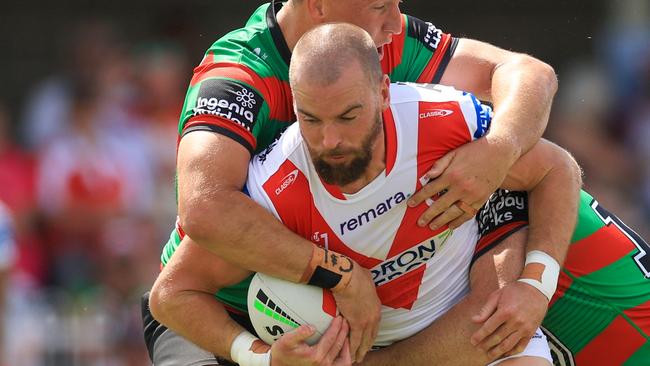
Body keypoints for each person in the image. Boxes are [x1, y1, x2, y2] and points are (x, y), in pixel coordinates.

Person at [144, 0, 562, 363]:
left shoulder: (378, 42)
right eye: (380, 6)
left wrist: (499, 149)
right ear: (319, 6)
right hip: (216, 310)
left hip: (335, 314)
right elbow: (203, 209)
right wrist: (338, 275)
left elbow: (526, 73)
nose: (396, 23)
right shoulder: (238, 75)